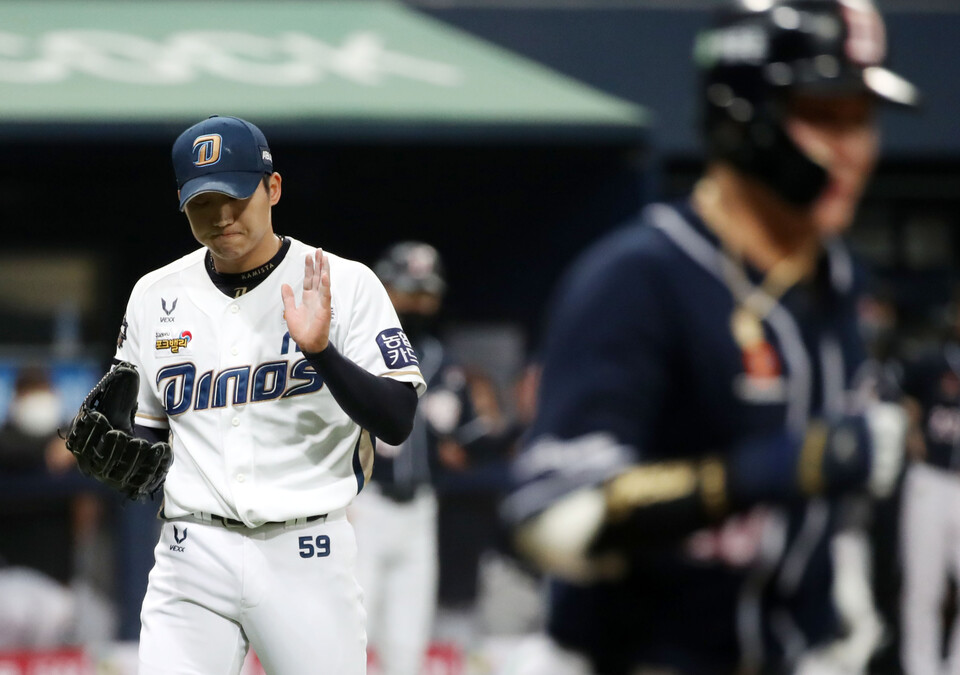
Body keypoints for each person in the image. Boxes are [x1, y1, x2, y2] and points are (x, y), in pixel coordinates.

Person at [501, 1, 919, 673]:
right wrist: (779, 468)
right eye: (822, 115)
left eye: (861, 121)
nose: (853, 149)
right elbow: (554, 520)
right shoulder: (641, 275)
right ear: (744, 115)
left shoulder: (838, 281)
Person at [97, 115, 425, 675]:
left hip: (306, 552)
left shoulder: (343, 282)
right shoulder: (153, 295)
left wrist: (321, 352)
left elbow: (397, 419)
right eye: (203, 202)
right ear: (182, 202)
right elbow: (148, 435)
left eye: (235, 196)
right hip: (190, 551)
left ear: (272, 188)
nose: (222, 216)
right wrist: (123, 458)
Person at [350, 241, 488, 675]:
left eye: (426, 291)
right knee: (350, 630)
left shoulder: (444, 363)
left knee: (408, 641)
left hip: (421, 509)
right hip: (365, 505)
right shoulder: (356, 354)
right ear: (384, 288)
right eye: (408, 290)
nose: (418, 301)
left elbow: (465, 445)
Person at [899, 298, 960, 675]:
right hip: (931, 481)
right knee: (923, 588)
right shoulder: (933, 361)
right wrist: (911, 431)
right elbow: (900, 394)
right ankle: (919, 669)